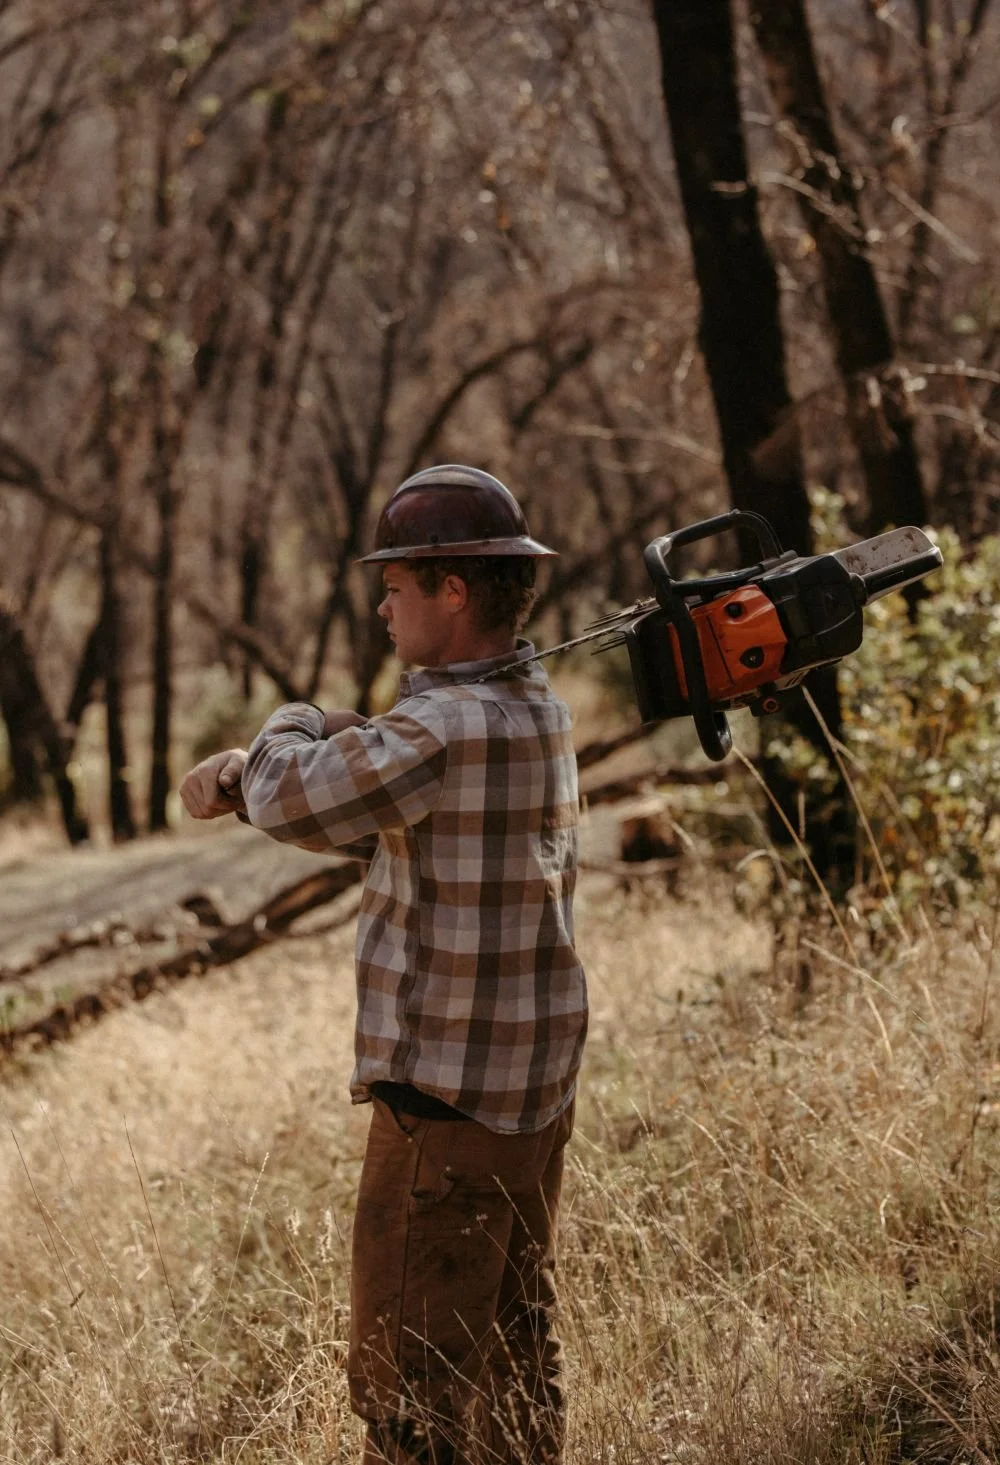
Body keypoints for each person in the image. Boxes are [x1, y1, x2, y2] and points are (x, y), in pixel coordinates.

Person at [179, 465, 588, 1464]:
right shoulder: (535, 706)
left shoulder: (441, 728)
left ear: (455, 589)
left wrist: (272, 737)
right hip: (528, 1094)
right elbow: (395, 811)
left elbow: (290, 798)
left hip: (442, 1104)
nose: (382, 605)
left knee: (407, 1388)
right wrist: (342, 746)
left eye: (398, 584)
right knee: (511, 1352)